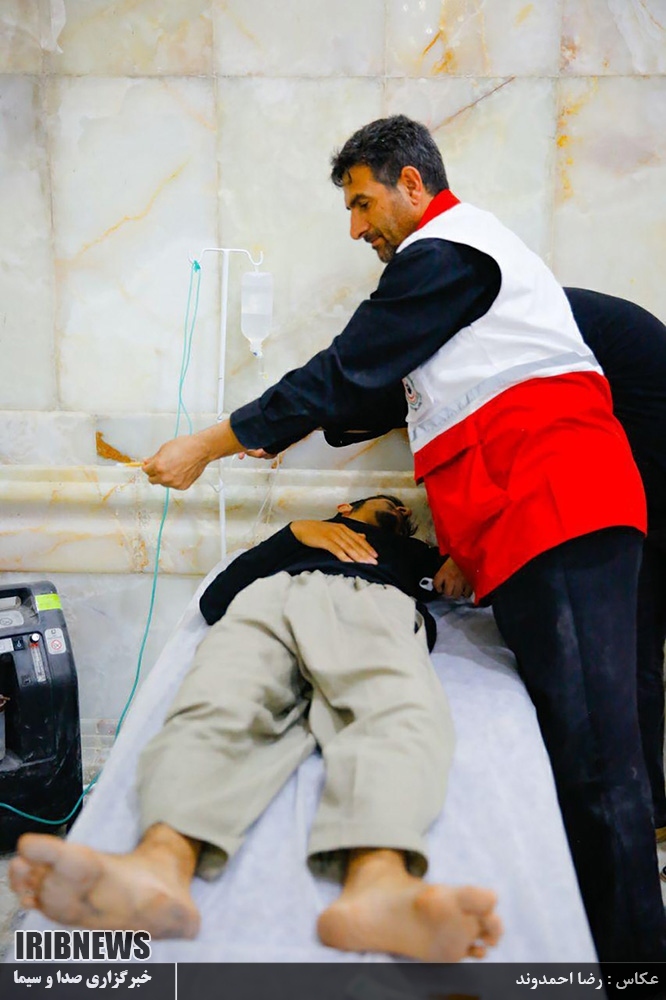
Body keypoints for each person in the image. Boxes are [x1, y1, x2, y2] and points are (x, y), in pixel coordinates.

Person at [140, 115, 665, 962]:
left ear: (412, 184)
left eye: (361, 203)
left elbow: (345, 370)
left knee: (601, 764)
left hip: (559, 510)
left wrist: (211, 443)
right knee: (582, 755)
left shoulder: (448, 251)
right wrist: (285, 452)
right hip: (521, 529)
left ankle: (634, 967)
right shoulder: (452, 288)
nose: (355, 228)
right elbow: (369, 395)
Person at [10, 495, 502, 962]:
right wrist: (296, 533)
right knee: (220, 700)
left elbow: (474, 585)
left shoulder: (412, 554)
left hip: (372, 605)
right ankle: (157, 871)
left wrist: (460, 564)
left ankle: (380, 888)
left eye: (403, 510)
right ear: (346, 508)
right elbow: (216, 601)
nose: (398, 508)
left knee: (392, 711)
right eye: (386, 503)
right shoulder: (303, 534)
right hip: (275, 599)